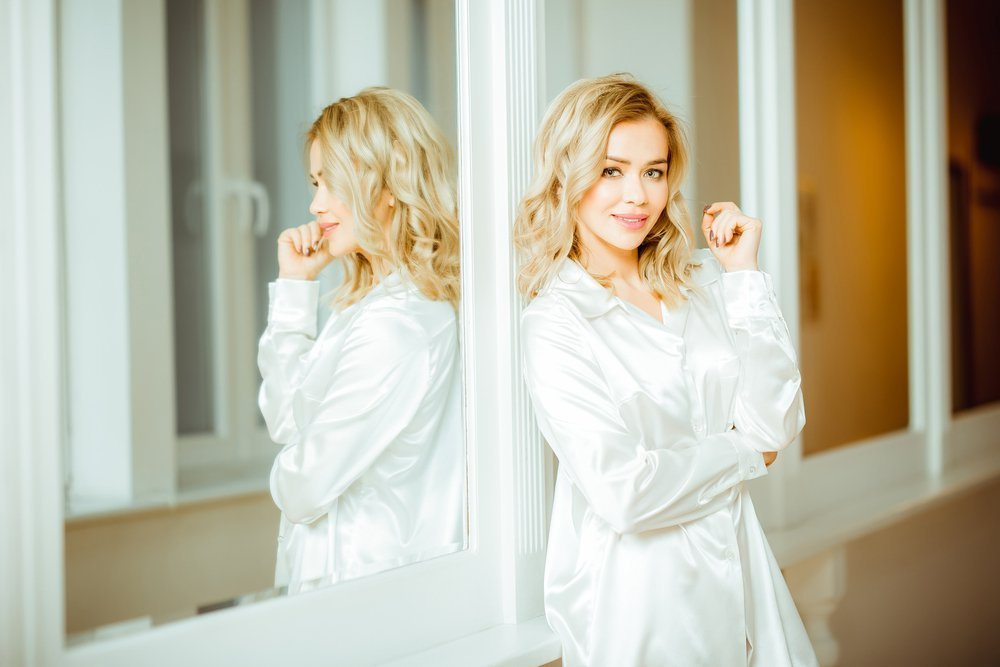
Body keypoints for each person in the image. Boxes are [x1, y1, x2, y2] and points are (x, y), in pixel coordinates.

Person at [516, 74, 818, 666]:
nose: (637, 195)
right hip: (645, 609)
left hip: (748, 585)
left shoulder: (703, 280)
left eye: (653, 172)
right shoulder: (555, 321)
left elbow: (777, 422)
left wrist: (744, 276)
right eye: (611, 170)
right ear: (566, 176)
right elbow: (624, 494)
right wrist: (743, 453)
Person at [257, 87, 465, 594]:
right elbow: (284, 420)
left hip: (363, 588)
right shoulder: (366, 306)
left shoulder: (398, 324)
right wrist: (294, 288)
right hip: (341, 582)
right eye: (315, 182)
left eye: (333, 182)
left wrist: (288, 469)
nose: (315, 204)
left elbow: (303, 488)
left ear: (390, 184)